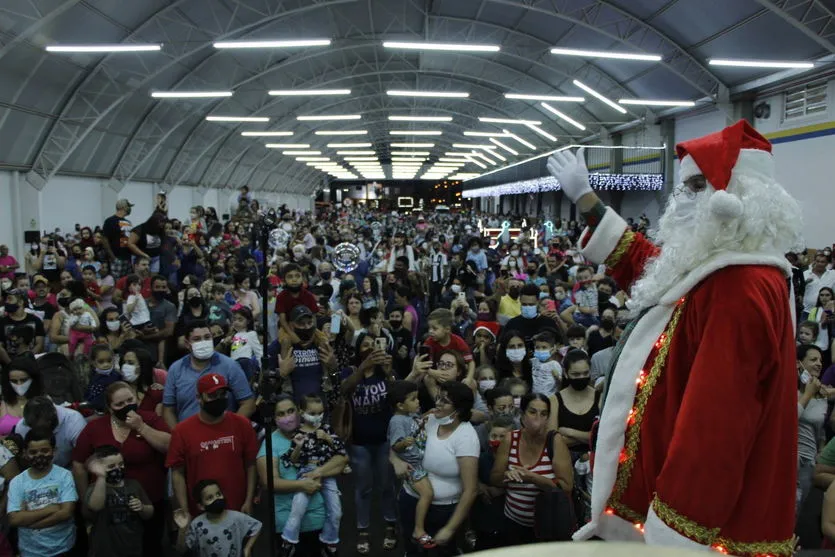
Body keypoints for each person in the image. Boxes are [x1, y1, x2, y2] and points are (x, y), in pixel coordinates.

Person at [547, 120, 800, 549]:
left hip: (702, 530)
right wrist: (586, 200)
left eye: (698, 186)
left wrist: (675, 535)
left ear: (740, 197)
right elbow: (652, 263)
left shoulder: (739, 286)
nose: (682, 201)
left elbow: (715, 429)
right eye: (684, 187)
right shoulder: (721, 262)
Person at [391, 381, 479, 557]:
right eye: (438, 397)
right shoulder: (430, 420)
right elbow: (396, 443)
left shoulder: (466, 437)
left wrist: (449, 528)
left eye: (444, 401)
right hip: (410, 499)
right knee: (412, 549)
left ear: (459, 409)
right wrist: (395, 461)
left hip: (442, 512)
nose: (437, 403)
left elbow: (471, 490)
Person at [257, 396, 347, 557]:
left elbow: (341, 459)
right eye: (281, 413)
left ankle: (329, 541)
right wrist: (302, 485)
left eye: (291, 411)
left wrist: (319, 472)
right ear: (275, 418)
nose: (288, 417)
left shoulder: (318, 431)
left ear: (300, 411)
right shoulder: (271, 443)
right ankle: (289, 541)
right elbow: (268, 482)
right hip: (287, 522)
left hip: (321, 521)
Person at [166, 373, 258, 518]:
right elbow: (177, 473)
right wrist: (184, 510)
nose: (218, 399)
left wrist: (248, 500)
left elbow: (251, 464)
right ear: (199, 398)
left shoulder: (242, 424)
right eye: (212, 395)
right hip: (201, 513)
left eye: (222, 394)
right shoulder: (182, 431)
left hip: (238, 508)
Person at [339, 334, 398, 554]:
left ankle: (390, 524)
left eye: (374, 345)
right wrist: (363, 367)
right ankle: (362, 529)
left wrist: (389, 370)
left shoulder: (384, 372)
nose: (371, 349)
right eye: (365, 345)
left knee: (386, 485)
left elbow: (396, 396)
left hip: (385, 440)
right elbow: (344, 390)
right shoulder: (350, 371)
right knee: (363, 488)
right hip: (359, 442)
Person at [490, 393, 573, 544]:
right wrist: (508, 475)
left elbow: (566, 488)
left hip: (547, 527)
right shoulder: (510, 439)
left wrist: (533, 478)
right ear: (522, 414)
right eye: (532, 412)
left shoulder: (555, 441)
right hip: (513, 522)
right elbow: (495, 478)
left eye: (544, 413)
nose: (538, 418)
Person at [162, 320, 255, 428]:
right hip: (189, 436)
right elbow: (168, 410)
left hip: (223, 435)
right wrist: (179, 435)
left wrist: (231, 429)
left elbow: (248, 403)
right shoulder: (176, 369)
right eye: (197, 339)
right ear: (187, 344)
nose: (203, 342)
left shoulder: (230, 366)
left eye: (207, 337)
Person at [7, 430, 77, 557]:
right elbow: (14, 519)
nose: (39, 455)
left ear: (54, 451)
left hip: (64, 548)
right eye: (33, 452)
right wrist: (51, 510)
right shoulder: (17, 482)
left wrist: (29, 520)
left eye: (44, 451)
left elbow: (66, 512)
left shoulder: (64, 475)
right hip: (30, 552)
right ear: (25, 453)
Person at [388, 381, 435, 546]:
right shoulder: (397, 421)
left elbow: (417, 424)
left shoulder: (409, 416)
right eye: (413, 399)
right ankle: (418, 529)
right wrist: (404, 443)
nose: (418, 402)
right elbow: (394, 444)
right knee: (427, 494)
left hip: (420, 462)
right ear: (400, 405)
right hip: (412, 465)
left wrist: (426, 415)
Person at [84, 444, 154, 557]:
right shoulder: (95, 488)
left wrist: (142, 507)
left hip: (132, 546)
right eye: (111, 466)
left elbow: (150, 512)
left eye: (121, 464)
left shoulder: (134, 485)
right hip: (105, 549)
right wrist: (101, 477)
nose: (117, 469)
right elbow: (95, 506)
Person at [175, 479, 262, 557]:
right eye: (210, 498)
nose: (216, 499)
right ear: (201, 506)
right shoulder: (197, 524)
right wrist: (183, 529)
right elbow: (182, 549)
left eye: (218, 494)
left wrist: (248, 548)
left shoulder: (236, 517)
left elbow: (257, 526)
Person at [278, 306, 336, 401]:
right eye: (301, 324)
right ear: (291, 325)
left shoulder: (320, 342)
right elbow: (264, 389)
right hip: (292, 408)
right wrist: (281, 375)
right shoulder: (279, 345)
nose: (307, 327)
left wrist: (333, 369)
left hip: (319, 407)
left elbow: (336, 381)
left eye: (309, 323)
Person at [797, 344, 829, 513]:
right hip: (789, 457)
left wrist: (822, 447)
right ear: (798, 363)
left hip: (809, 462)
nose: (819, 363)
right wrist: (807, 393)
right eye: (813, 359)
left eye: (820, 360)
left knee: (799, 508)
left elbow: (821, 428)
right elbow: (790, 418)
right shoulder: (789, 390)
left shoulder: (822, 396)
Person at [15, 395, 87, 468]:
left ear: (51, 420)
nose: (35, 430)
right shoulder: (23, 426)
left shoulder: (74, 422)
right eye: (31, 426)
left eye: (39, 427)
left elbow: (83, 460)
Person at [549, 350, 599, 456]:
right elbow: (552, 440)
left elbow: (601, 437)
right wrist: (588, 436)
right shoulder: (555, 400)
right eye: (576, 374)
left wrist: (569, 432)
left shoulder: (599, 397)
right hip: (564, 459)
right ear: (566, 374)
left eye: (585, 373)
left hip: (595, 458)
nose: (581, 377)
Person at [423, 308, 474, 380]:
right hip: (436, 375)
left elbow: (471, 363)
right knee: (428, 379)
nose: (430, 331)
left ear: (447, 329)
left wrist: (468, 378)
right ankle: (435, 392)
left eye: (434, 329)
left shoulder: (458, 342)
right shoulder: (429, 343)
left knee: (473, 383)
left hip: (456, 377)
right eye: (429, 328)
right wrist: (432, 372)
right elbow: (422, 364)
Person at [275, 263, 319, 344]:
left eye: (297, 276)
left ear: (302, 278)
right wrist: (292, 335)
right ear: (284, 280)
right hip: (288, 327)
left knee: (323, 340)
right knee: (285, 341)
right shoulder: (281, 296)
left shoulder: (308, 295)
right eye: (290, 277)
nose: (294, 279)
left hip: (308, 326)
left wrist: (312, 335)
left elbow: (314, 317)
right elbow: (282, 320)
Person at [0, 357, 43, 437]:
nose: (19, 384)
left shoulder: (44, 401)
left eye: (23, 380)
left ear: (33, 379)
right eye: (14, 381)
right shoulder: (2, 402)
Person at [0, 289, 45, 363]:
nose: (6, 302)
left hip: (31, 362)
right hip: (9, 363)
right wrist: (11, 364)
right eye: (6, 299)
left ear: (21, 302)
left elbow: (39, 344)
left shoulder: (35, 320)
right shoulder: (2, 322)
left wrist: (27, 360)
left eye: (10, 299)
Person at [84, 344, 122, 411]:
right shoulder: (93, 376)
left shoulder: (117, 376)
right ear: (93, 362)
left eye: (109, 361)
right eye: (101, 362)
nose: (106, 364)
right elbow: (88, 393)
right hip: (93, 409)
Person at [804, 251, 835, 319]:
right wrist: (804, 283)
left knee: (827, 329)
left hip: (827, 311)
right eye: (817, 261)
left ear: (827, 263)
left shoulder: (833, 274)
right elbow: (799, 291)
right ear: (814, 261)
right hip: (807, 311)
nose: (819, 264)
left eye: (822, 262)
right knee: (805, 329)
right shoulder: (805, 274)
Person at [531, 330, 562, 396]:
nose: (540, 350)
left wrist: (557, 377)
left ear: (553, 348)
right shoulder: (532, 361)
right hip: (533, 397)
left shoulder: (554, 365)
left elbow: (560, 384)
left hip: (549, 398)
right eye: (537, 347)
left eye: (544, 347)